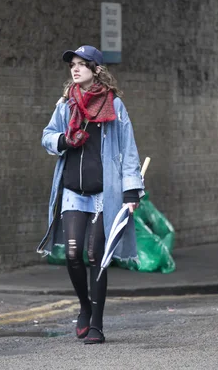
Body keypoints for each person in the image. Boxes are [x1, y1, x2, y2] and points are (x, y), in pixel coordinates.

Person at [40, 45, 144, 344]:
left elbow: (128, 149)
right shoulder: (65, 104)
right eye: (73, 64)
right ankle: (85, 306)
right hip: (74, 190)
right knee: (73, 254)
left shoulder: (115, 105)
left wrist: (131, 191)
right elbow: (47, 136)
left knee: (96, 255)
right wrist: (64, 139)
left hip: (103, 193)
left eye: (83, 64)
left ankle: (96, 324)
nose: (75, 69)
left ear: (96, 69)